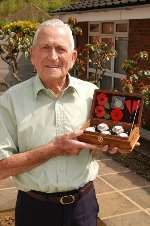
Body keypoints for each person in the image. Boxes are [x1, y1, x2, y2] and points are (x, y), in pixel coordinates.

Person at [0, 19, 113, 226]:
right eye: (45, 48)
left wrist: (110, 145)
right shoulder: (9, 101)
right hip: (34, 210)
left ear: (73, 57)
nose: (53, 56)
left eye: (60, 49)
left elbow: (98, 144)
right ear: (32, 55)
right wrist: (55, 148)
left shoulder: (92, 94)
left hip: (83, 208)